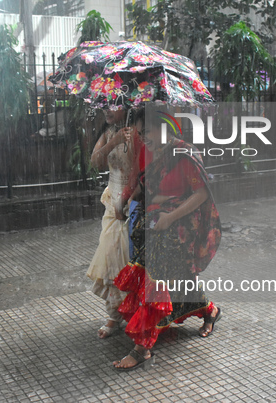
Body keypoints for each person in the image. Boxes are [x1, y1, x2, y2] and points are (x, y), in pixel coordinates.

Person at [112, 108, 222, 371]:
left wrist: (170, 217)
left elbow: (201, 195)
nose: (142, 137)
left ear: (163, 128)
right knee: (177, 280)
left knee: (156, 282)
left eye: (145, 131)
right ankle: (210, 311)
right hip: (152, 225)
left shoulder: (184, 153)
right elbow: (142, 185)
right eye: (139, 133)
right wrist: (124, 200)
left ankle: (142, 349)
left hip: (177, 230)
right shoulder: (150, 154)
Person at [87, 108, 140, 339]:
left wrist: (127, 202)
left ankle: (133, 314)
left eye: (114, 104)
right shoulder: (108, 132)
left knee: (129, 260)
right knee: (109, 258)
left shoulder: (139, 132)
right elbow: (95, 162)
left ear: (128, 106)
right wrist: (113, 141)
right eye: (105, 104)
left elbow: (141, 171)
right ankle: (113, 314)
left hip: (133, 202)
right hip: (112, 204)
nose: (107, 109)